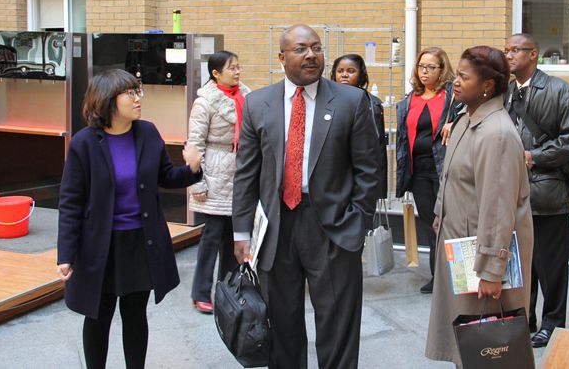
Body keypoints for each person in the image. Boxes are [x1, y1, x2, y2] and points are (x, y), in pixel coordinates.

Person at [232, 24, 379, 369]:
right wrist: (241, 231)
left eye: (316, 48)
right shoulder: (257, 104)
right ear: (282, 57)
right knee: (281, 322)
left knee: (338, 324)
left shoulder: (351, 101)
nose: (311, 55)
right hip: (276, 225)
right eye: (300, 49)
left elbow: (369, 170)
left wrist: (357, 223)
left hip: (333, 225)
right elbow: (246, 173)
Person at [57, 69, 202, 369]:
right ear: (108, 100)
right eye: (131, 93)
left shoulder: (147, 132)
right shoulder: (84, 143)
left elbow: (166, 176)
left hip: (140, 241)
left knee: (135, 314)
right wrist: (66, 254)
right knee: (98, 316)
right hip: (100, 246)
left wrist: (192, 169)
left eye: (139, 91)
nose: (138, 99)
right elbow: (71, 203)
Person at [425, 46, 533, 366]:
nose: (455, 82)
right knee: (467, 342)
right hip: (460, 247)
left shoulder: (496, 133)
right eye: (456, 75)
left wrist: (491, 270)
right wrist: (440, 213)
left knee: (485, 349)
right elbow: (452, 177)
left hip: (480, 257)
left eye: (463, 77)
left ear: (487, 85)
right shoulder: (466, 119)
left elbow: (498, 208)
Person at [504, 33, 569, 348]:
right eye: (506, 50)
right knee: (521, 264)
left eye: (515, 50)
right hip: (514, 192)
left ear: (533, 54)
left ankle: (553, 323)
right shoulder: (506, 92)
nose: (509, 55)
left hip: (548, 192)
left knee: (550, 265)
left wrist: (535, 156)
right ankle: (525, 318)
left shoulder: (558, 90)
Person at [186, 51, 250, 313]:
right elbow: (195, 144)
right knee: (211, 236)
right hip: (214, 172)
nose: (237, 71)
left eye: (238, 66)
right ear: (215, 73)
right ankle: (201, 292)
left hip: (239, 172)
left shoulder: (245, 97)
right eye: (231, 68)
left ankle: (227, 290)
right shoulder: (205, 102)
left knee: (234, 235)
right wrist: (197, 182)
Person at [395, 46, 457, 294]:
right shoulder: (411, 98)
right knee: (431, 224)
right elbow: (403, 138)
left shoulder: (452, 96)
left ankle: (454, 277)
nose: (424, 71)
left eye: (431, 67)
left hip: (444, 170)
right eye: (421, 66)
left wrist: (454, 122)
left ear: (442, 70)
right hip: (418, 172)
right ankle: (437, 276)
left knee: (448, 224)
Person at [331, 53, 388, 201]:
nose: (344, 75)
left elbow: (378, 147)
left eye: (351, 71)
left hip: (360, 170)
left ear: (361, 75)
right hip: (331, 170)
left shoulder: (372, 104)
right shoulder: (325, 100)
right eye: (340, 71)